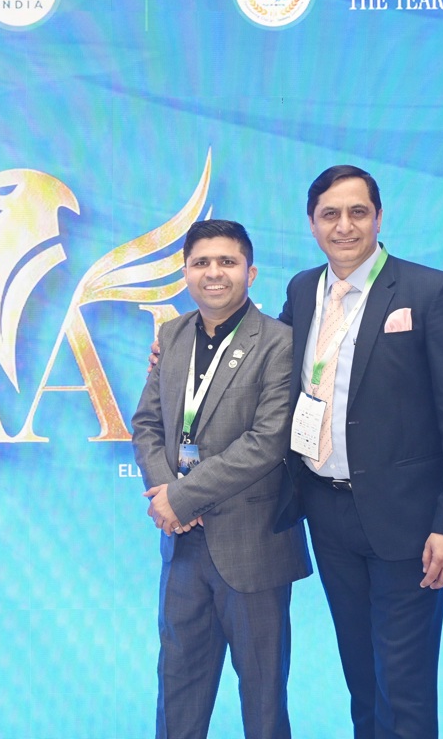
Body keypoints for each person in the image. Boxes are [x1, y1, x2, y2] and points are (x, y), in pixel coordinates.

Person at [275, 165, 443, 738]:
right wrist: (175, 352)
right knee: (362, 679)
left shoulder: (430, 291)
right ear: (312, 224)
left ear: (378, 218)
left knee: (404, 686)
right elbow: (264, 361)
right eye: (330, 214)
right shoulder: (302, 290)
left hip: (408, 523)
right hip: (326, 512)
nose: (344, 226)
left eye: (358, 212)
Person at [133, 219, 312, 739]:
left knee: (263, 698)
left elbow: (268, 441)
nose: (214, 273)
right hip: (183, 548)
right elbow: (146, 423)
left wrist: (182, 497)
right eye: (201, 263)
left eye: (227, 262)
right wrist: (168, 493)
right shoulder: (171, 335)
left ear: (250, 273)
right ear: (186, 272)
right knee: (178, 689)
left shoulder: (280, 342)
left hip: (253, 547)